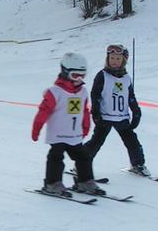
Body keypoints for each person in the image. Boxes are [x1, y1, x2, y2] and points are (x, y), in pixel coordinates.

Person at [31, 52, 105, 196]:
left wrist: (85, 127)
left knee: (84, 157)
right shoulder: (55, 92)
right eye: (74, 75)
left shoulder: (83, 92)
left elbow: (84, 111)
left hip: (74, 135)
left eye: (82, 76)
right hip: (58, 135)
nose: (78, 79)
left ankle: (85, 181)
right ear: (65, 72)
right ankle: (52, 183)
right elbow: (43, 112)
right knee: (56, 158)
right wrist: (36, 129)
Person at [85, 43, 149, 175]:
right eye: (112, 58)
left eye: (118, 59)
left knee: (132, 142)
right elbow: (95, 94)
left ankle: (138, 165)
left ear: (123, 61)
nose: (114, 61)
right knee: (96, 142)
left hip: (122, 118)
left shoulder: (126, 78)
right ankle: (82, 165)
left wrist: (136, 112)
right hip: (105, 117)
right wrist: (95, 112)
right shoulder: (102, 75)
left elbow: (130, 96)